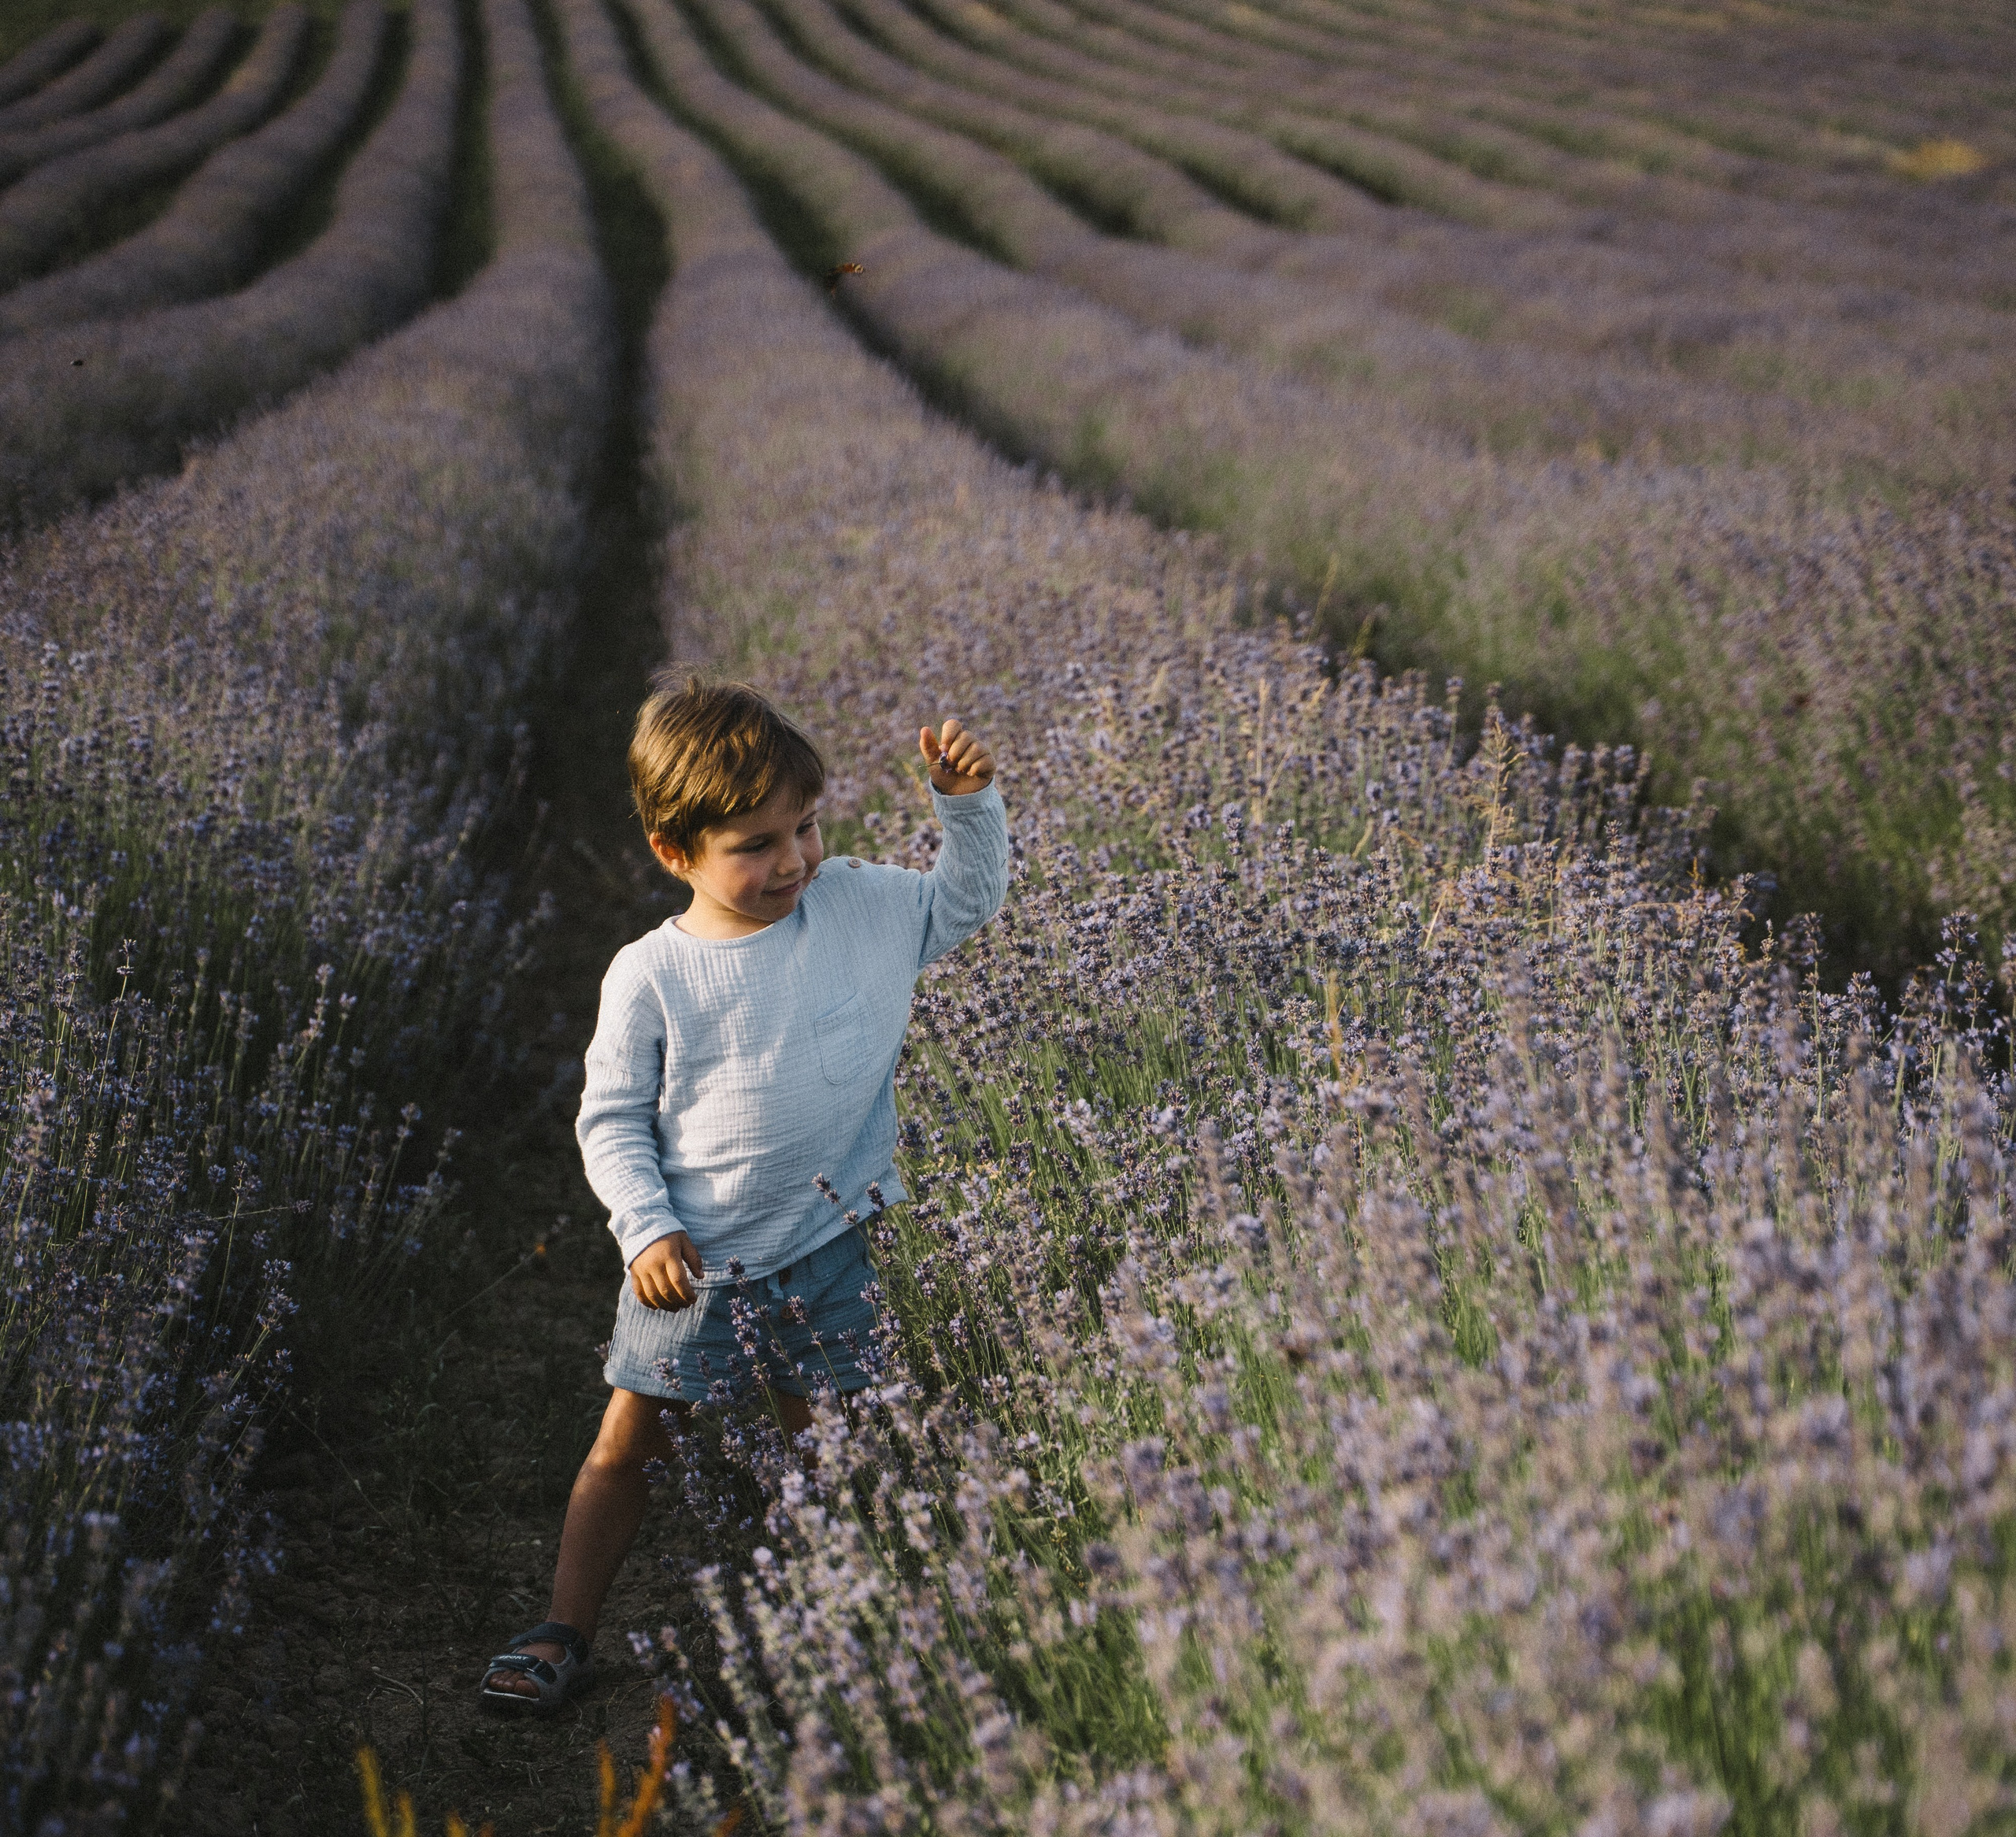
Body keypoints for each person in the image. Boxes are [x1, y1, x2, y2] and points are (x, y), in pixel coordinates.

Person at [479, 676, 1008, 1710]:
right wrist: (648, 1227)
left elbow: (964, 900)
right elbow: (612, 1118)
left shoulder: (855, 903)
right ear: (676, 853)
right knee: (629, 1443)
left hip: (831, 1236)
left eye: (805, 826)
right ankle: (564, 1624)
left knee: (822, 1448)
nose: (794, 859)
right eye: (756, 844)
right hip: (698, 1259)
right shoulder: (652, 974)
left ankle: (826, 1633)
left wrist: (967, 808)